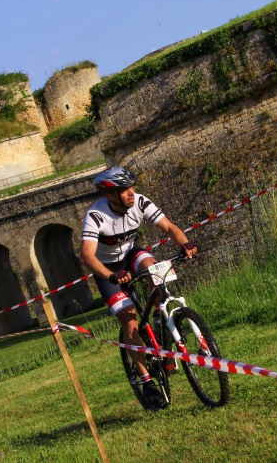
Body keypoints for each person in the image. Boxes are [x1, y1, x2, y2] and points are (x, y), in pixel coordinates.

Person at [80, 167, 197, 409]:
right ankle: (146, 380)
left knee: (156, 269)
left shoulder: (140, 203)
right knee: (129, 320)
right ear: (111, 195)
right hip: (108, 268)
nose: (132, 193)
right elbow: (88, 256)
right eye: (125, 190)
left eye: (132, 186)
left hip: (131, 254)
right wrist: (112, 276)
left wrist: (185, 243)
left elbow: (169, 228)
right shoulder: (96, 215)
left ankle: (162, 318)